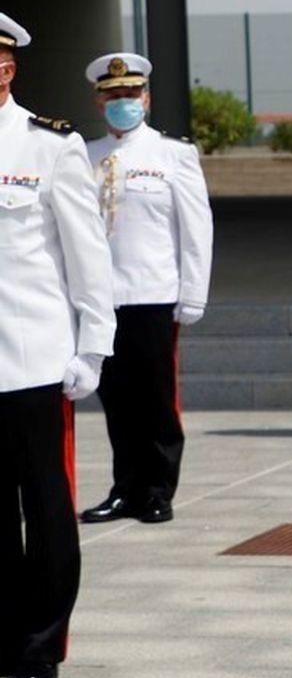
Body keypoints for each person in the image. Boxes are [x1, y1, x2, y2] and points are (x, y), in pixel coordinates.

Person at [0, 13, 117, 678]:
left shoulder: (50, 147)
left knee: (45, 507)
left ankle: (41, 642)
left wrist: (92, 348)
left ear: (7, 69)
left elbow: (86, 255)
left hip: (34, 359)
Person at [78, 53, 214, 525]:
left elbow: (196, 229)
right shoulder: (83, 155)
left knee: (156, 399)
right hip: (100, 298)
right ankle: (124, 488)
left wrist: (193, 292)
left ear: (147, 99)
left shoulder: (173, 155)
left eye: (131, 95)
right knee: (115, 401)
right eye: (113, 96)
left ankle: (157, 489)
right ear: (99, 102)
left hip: (154, 295)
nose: (123, 103)